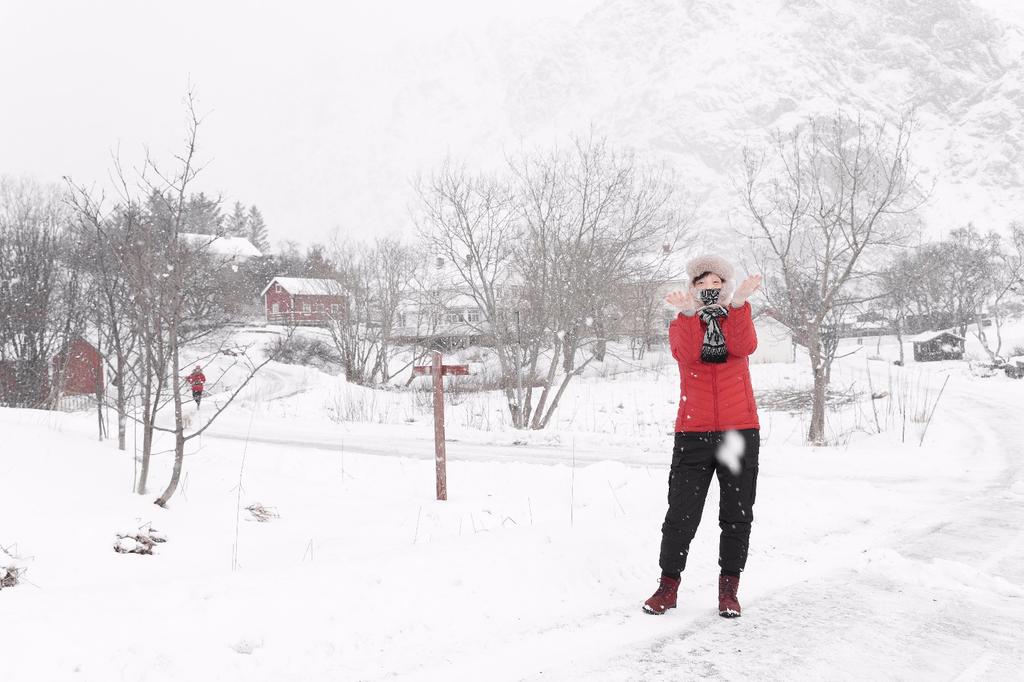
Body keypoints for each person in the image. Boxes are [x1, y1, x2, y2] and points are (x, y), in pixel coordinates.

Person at [643, 254, 763, 618]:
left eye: (716, 283)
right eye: (701, 283)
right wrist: (687, 315)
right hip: (693, 433)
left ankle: (729, 590)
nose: (709, 288)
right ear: (692, 288)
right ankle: (667, 587)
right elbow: (687, 354)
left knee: (736, 515)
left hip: (738, 431)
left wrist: (738, 304)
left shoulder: (736, 317)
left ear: (725, 286)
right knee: (681, 514)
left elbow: (743, 347)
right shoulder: (683, 322)